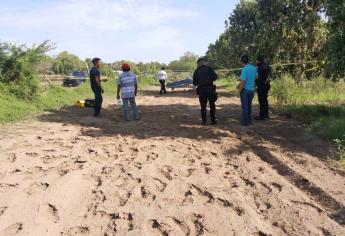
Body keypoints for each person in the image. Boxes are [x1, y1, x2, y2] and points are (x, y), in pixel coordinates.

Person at [193, 57, 218, 126]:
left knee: (203, 106)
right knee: (212, 105)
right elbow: (215, 77)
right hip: (210, 89)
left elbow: (194, 83)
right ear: (203, 62)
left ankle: (204, 122)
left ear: (198, 63)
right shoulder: (209, 69)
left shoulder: (196, 71)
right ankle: (213, 121)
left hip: (201, 90)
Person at [238, 55, 257, 126]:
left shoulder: (244, 69)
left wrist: (238, 91)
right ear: (248, 60)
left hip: (245, 90)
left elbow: (242, 82)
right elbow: (256, 77)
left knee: (244, 106)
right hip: (251, 90)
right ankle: (249, 120)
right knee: (249, 105)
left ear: (241, 61)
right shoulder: (254, 68)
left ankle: (245, 122)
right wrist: (250, 81)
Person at [255, 56, 271, 120]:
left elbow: (259, 78)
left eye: (256, 60)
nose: (255, 62)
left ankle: (262, 116)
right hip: (267, 85)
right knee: (265, 100)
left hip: (261, 86)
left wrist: (255, 80)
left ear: (259, 61)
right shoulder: (267, 66)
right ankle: (266, 115)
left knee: (261, 101)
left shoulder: (260, 67)